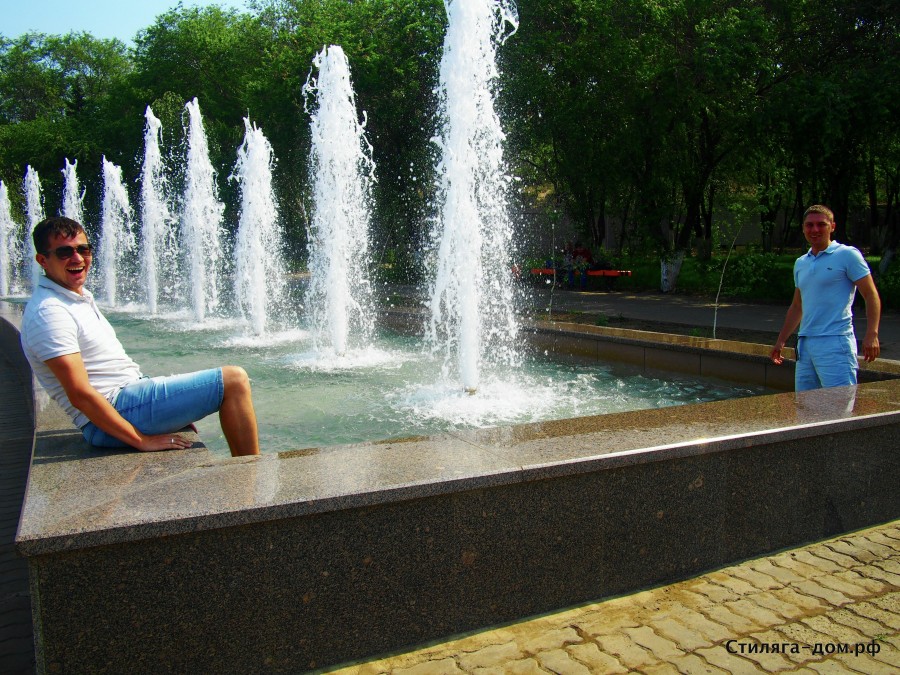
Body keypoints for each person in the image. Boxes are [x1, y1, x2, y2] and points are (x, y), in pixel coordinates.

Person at [20, 217, 260, 456]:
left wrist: (174, 410)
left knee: (224, 381)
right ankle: (250, 479)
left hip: (129, 400)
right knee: (234, 380)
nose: (78, 258)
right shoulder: (49, 312)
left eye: (84, 249)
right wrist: (141, 440)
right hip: (114, 414)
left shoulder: (74, 298)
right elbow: (80, 394)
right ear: (43, 260)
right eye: (64, 252)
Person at [770, 205, 881, 391]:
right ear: (803, 228)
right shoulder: (801, 263)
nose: (815, 230)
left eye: (821, 224)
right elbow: (798, 305)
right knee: (805, 410)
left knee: (839, 407)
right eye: (809, 225)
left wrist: (872, 334)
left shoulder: (847, 255)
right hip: (805, 344)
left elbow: (871, 295)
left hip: (835, 342)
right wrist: (781, 340)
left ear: (832, 226)